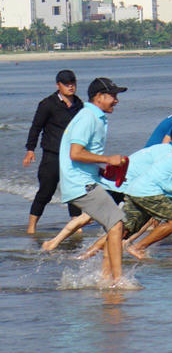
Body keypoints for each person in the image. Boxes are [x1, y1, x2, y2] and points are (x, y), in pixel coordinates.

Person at [82, 124, 172, 260]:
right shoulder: (170, 152)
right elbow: (159, 174)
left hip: (133, 186)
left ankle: (88, 253)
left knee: (123, 229)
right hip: (128, 186)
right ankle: (136, 247)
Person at [58, 77, 130, 286]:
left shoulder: (95, 116)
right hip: (79, 184)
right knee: (117, 224)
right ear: (99, 97)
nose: (116, 101)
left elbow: (80, 155)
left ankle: (106, 277)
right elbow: (75, 153)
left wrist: (101, 171)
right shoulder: (88, 117)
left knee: (114, 225)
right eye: (113, 96)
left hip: (85, 179)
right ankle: (117, 281)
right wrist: (108, 159)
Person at [22, 69, 83, 234]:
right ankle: (31, 227)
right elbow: (36, 127)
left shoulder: (79, 104)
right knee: (46, 191)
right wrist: (30, 150)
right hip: (52, 154)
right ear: (58, 85)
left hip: (72, 156)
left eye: (73, 83)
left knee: (74, 191)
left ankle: (77, 229)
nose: (70, 87)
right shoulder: (48, 104)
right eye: (66, 84)